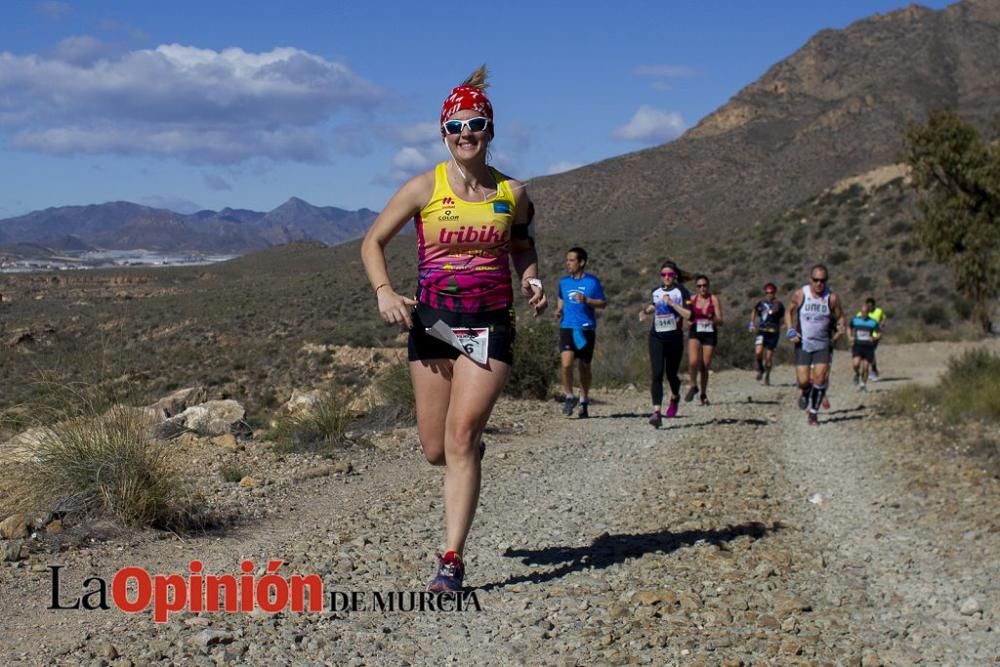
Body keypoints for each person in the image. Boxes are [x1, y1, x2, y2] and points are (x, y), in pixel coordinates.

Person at [360, 66, 546, 593]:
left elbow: (523, 244)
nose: (467, 133)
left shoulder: (514, 192)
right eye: (457, 125)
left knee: (461, 437)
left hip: (491, 324)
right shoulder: (423, 187)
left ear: (491, 130)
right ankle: (467, 456)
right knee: (435, 450)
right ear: (444, 132)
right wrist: (384, 292)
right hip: (434, 324)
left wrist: (531, 278)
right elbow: (372, 243)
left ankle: (451, 560)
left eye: (477, 124)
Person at [785, 264, 845, 426]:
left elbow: (840, 316)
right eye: (816, 280)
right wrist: (790, 329)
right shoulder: (800, 294)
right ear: (810, 279)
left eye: (823, 280)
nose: (819, 284)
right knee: (803, 380)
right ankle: (805, 392)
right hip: (803, 343)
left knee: (819, 378)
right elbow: (789, 311)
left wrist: (840, 328)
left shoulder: (831, 297)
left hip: (822, 344)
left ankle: (813, 413)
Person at [555, 247, 607, 418]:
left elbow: (602, 303)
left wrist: (587, 300)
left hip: (585, 329)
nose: (568, 263)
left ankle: (584, 400)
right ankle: (570, 396)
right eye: (567, 260)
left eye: (571, 260)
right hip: (567, 327)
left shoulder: (592, 282)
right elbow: (561, 297)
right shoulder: (563, 282)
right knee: (566, 364)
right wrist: (559, 310)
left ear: (581, 262)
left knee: (584, 367)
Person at [639, 261, 691, 428]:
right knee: (657, 373)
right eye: (663, 275)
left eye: (670, 275)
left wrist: (673, 304)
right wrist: (645, 311)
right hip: (657, 337)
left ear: (674, 276)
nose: (666, 277)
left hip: (674, 338)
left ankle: (675, 396)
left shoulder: (682, 291)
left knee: (671, 374)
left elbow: (689, 314)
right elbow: (654, 304)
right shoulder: (656, 291)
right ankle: (656, 412)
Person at [685, 274, 723, 405]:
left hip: (709, 333)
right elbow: (688, 317)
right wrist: (689, 322)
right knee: (693, 361)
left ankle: (703, 394)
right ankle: (693, 385)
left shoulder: (714, 299)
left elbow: (720, 320)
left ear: (708, 286)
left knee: (705, 366)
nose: (702, 288)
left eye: (704, 285)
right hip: (695, 331)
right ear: (696, 287)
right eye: (699, 286)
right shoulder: (692, 299)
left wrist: (712, 318)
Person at [748, 283, 785, 385]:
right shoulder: (761, 304)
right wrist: (752, 323)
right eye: (767, 293)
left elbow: (784, 315)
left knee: (768, 357)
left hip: (773, 333)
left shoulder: (778, 305)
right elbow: (754, 311)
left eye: (771, 293)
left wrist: (784, 324)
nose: (769, 295)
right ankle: (760, 369)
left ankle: (767, 374)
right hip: (762, 330)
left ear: (774, 293)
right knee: (758, 352)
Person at [849, 301, 880, 391]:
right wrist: (850, 336)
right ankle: (857, 374)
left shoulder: (873, 322)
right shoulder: (855, 320)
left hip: (868, 346)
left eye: (866, 312)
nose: (864, 314)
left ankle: (863, 384)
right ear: (860, 312)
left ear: (868, 312)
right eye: (863, 312)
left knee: (866, 367)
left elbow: (879, 334)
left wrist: (874, 338)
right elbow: (849, 327)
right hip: (858, 345)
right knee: (856, 364)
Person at [860, 297, 887, 381]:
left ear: (874, 305)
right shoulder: (863, 313)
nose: (869, 307)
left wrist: (882, 325)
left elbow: (884, 318)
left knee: (870, 352)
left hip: (874, 336)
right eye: (868, 306)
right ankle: (872, 371)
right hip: (865, 336)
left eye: (871, 306)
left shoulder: (879, 311)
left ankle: (874, 371)